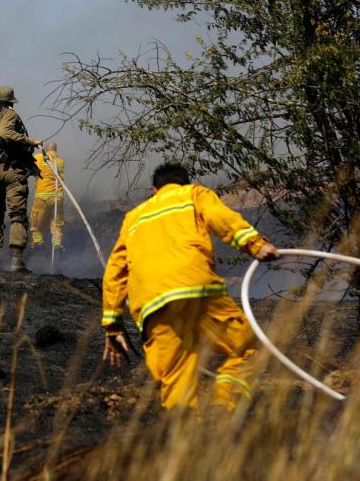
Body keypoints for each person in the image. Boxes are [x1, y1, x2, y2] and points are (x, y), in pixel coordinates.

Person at [101, 162, 280, 411]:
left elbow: (114, 271)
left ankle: (184, 429)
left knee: (175, 376)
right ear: (183, 182)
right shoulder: (194, 194)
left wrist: (112, 325)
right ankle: (224, 405)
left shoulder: (133, 218)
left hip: (151, 304)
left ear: (154, 189)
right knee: (245, 348)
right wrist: (254, 244)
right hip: (196, 288)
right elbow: (221, 218)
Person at [0, 85, 42, 272]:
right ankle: (16, 262)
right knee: (17, 214)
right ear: (10, 101)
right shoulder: (10, 115)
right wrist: (32, 142)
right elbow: (6, 133)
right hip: (12, 171)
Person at [31, 142, 65, 250]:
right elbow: (62, 178)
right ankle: (57, 244)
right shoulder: (60, 161)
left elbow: (29, 165)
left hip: (43, 195)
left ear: (45, 148)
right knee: (56, 222)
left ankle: (37, 243)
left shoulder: (39, 157)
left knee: (36, 220)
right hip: (57, 196)